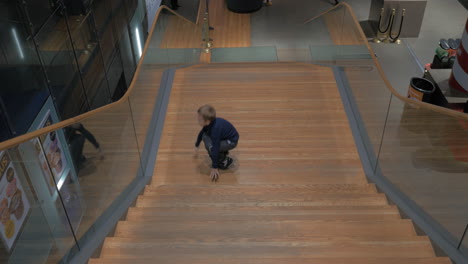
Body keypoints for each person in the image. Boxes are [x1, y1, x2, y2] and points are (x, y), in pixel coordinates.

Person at [194, 105, 239, 182]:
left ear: (207, 121)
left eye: (200, 120)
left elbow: (215, 147)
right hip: (224, 138)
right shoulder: (210, 124)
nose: (198, 120)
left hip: (231, 141)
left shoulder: (215, 130)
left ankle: (224, 161)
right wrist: (197, 144)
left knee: (211, 148)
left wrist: (214, 167)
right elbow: (202, 132)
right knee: (205, 136)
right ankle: (223, 152)